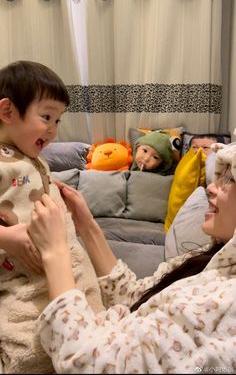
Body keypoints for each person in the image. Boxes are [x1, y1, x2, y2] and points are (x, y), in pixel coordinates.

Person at [28, 140, 236, 374]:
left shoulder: (226, 304)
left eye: (229, 180)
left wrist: (56, 251)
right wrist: (87, 227)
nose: (211, 187)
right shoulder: (208, 261)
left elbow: (90, 365)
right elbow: (137, 295)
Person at [0, 61, 104, 374]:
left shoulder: (34, 159)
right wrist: (6, 237)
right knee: (33, 347)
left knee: (91, 316)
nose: (53, 128)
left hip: (60, 262)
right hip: (21, 273)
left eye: (57, 120)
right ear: (7, 112)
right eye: (46, 116)